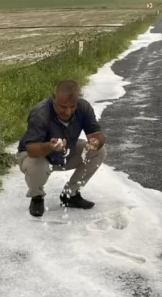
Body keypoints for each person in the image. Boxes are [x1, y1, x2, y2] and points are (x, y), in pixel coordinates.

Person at [17, 80, 108, 217]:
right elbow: (31, 150)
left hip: (66, 150)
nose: (68, 111)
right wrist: (49, 146)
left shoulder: (83, 107)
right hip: (36, 155)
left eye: (72, 106)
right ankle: (37, 197)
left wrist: (96, 141)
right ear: (53, 98)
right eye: (63, 106)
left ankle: (70, 194)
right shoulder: (40, 113)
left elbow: (97, 134)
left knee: (99, 151)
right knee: (36, 165)